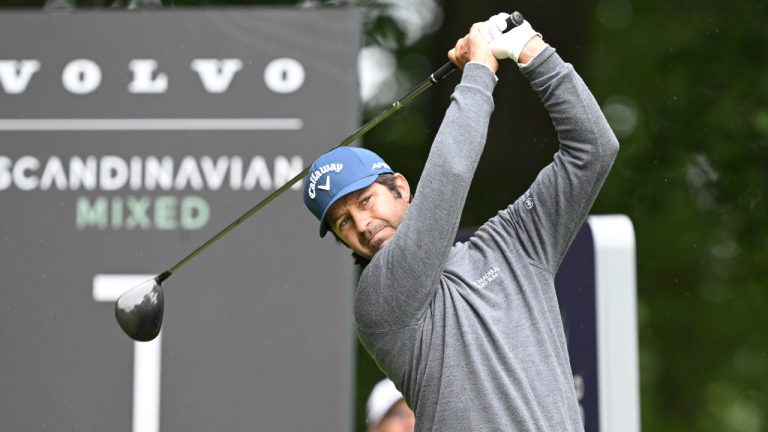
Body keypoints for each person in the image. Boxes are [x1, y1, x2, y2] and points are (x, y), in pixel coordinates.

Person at [303, 12, 619, 431]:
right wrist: (478, 72)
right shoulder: (378, 304)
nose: (362, 224)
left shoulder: (514, 243)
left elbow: (593, 150)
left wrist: (531, 51)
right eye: (343, 222)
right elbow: (450, 175)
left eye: (365, 200)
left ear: (401, 187)